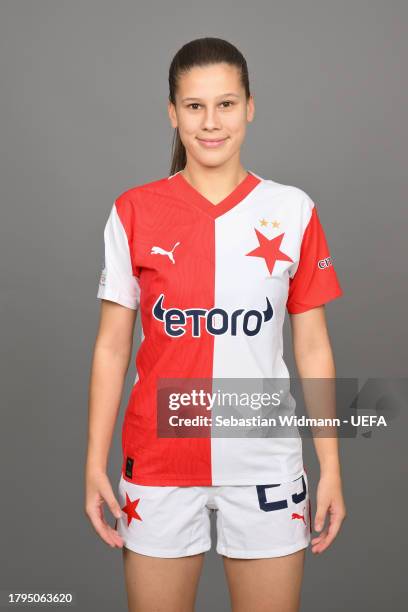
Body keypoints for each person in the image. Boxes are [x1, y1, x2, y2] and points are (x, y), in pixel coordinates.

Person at [85, 37, 347, 612]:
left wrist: (330, 465)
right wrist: (92, 461)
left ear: (250, 106)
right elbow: (111, 349)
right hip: (158, 461)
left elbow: (312, 345)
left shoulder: (293, 210)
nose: (211, 122)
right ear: (172, 112)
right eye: (195, 106)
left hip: (264, 459)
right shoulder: (133, 210)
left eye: (226, 104)